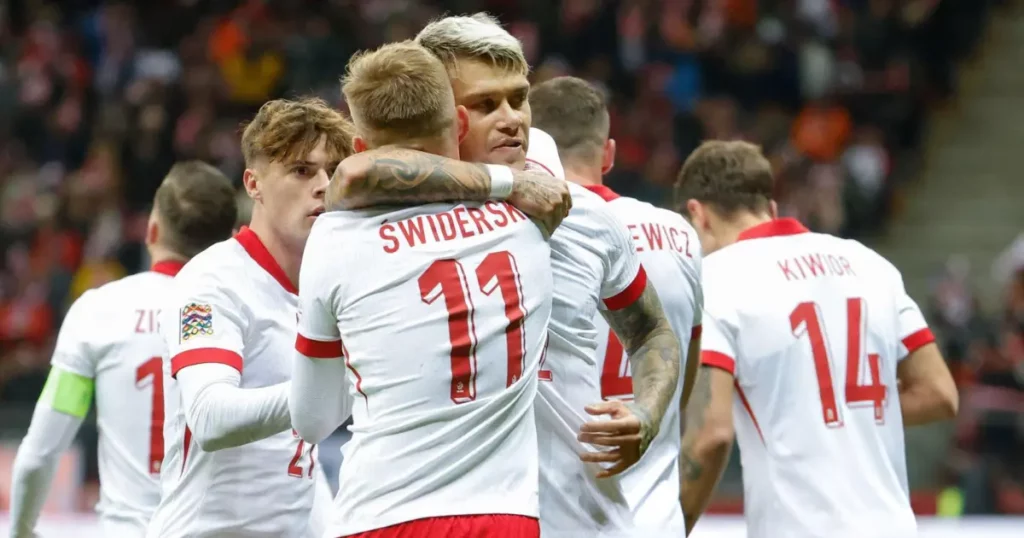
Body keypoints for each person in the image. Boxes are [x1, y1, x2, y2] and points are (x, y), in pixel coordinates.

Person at [327, 14, 681, 537]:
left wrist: (647, 413)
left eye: (519, 98)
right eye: (486, 104)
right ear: (438, 108)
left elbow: (652, 330)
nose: (513, 118)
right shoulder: (379, 219)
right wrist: (503, 184)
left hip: (579, 516)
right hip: (437, 514)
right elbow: (352, 175)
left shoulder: (579, 214)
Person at [290, 40, 554, 538]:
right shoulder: (530, 212)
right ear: (457, 124)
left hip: (382, 515)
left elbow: (312, 419)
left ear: (362, 146)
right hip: (507, 515)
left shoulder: (335, 238)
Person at [675, 140, 959, 537]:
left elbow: (710, 434)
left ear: (697, 215)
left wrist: (673, 525)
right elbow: (940, 393)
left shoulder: (716, 280)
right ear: (770, 208)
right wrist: (837, 413)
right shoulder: (870, 264)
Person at [145, 98, 353, 538]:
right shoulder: (212, 281)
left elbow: (299, 458)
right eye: (302, 170)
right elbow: (210, 416)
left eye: (333, 171)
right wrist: (331, 390)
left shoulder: (328, 289)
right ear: (253, 184)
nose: (323, 185)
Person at [8, 162, 238, 538]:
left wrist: (21, 530)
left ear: (152, 230)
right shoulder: (242, 313)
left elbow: (40, 454)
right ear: (230, 239)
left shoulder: (98, 311)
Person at [530, 76, 704, 536]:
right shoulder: (681, 235)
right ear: (607, 153)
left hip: (557, 505)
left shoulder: (520, 228)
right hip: (657, 512)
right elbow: (683, 378)